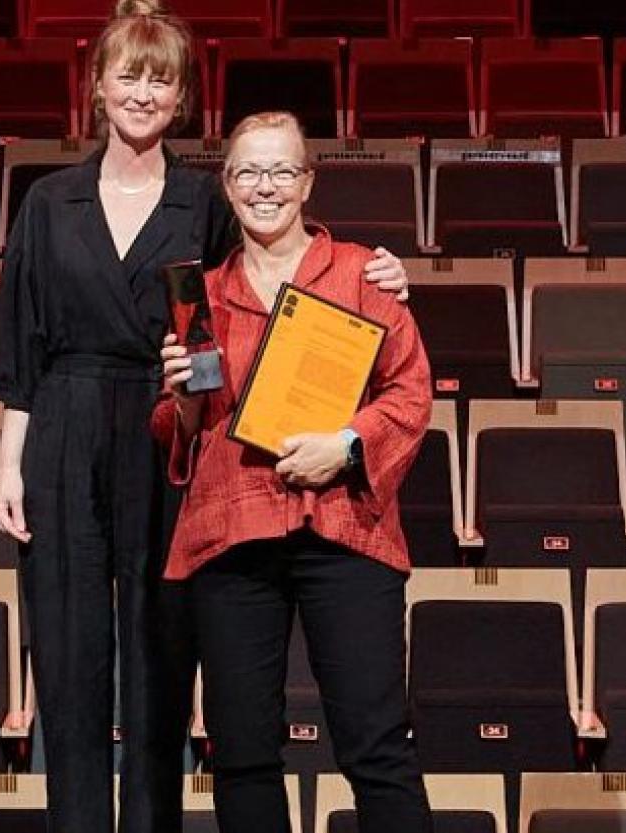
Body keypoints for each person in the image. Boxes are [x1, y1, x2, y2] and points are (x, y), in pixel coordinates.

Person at [0, 4, 413, 830]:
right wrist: (8, 465)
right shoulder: (47, 200)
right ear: (98, 85)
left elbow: (267, 291)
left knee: (160, 661)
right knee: (70, 664)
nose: (143, 93)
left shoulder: (202, 199)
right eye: (129, 75)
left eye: (162, 78)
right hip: (66, 431)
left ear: (181, 96)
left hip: (170, 429)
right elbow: (20, 345)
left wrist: (386, 274)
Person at [154, 111, 436, 833]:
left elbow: (409, 392)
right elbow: (183, 429)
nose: (265, 187)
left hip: (345, 529)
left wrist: (345, 444)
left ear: (308, 180)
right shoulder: (198, 295)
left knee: (376, 747)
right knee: (242, 751)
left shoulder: (361, 273)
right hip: (236, 530)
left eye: (282, 170)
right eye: (248, 171)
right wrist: (182, 397)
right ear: (227, 185)